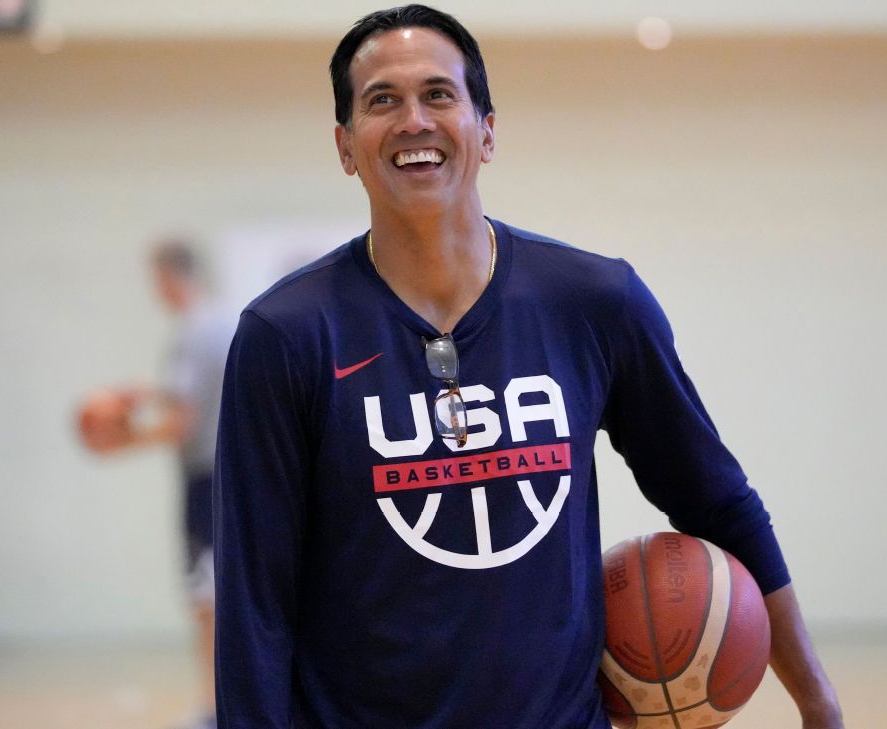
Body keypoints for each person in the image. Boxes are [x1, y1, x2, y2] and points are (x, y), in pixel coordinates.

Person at [216, 5, 847, 729]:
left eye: (439, 94)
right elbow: (254, 599)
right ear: (345, 145)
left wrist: (817, 699)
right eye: (382, 100)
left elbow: (717, 500)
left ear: (486, 130)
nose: (414, 120)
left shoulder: (595, 301)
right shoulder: (286, 335)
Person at [82, 239, 234, 729]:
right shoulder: (227, 322)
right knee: (228, 594)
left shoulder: (190, 332)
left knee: (207, 599)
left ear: (170, 276)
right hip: (234, 475)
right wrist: (146, 394)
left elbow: (182, 421)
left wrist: (121, 441)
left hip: (206, 481)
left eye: (156, 279)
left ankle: (216, 709)